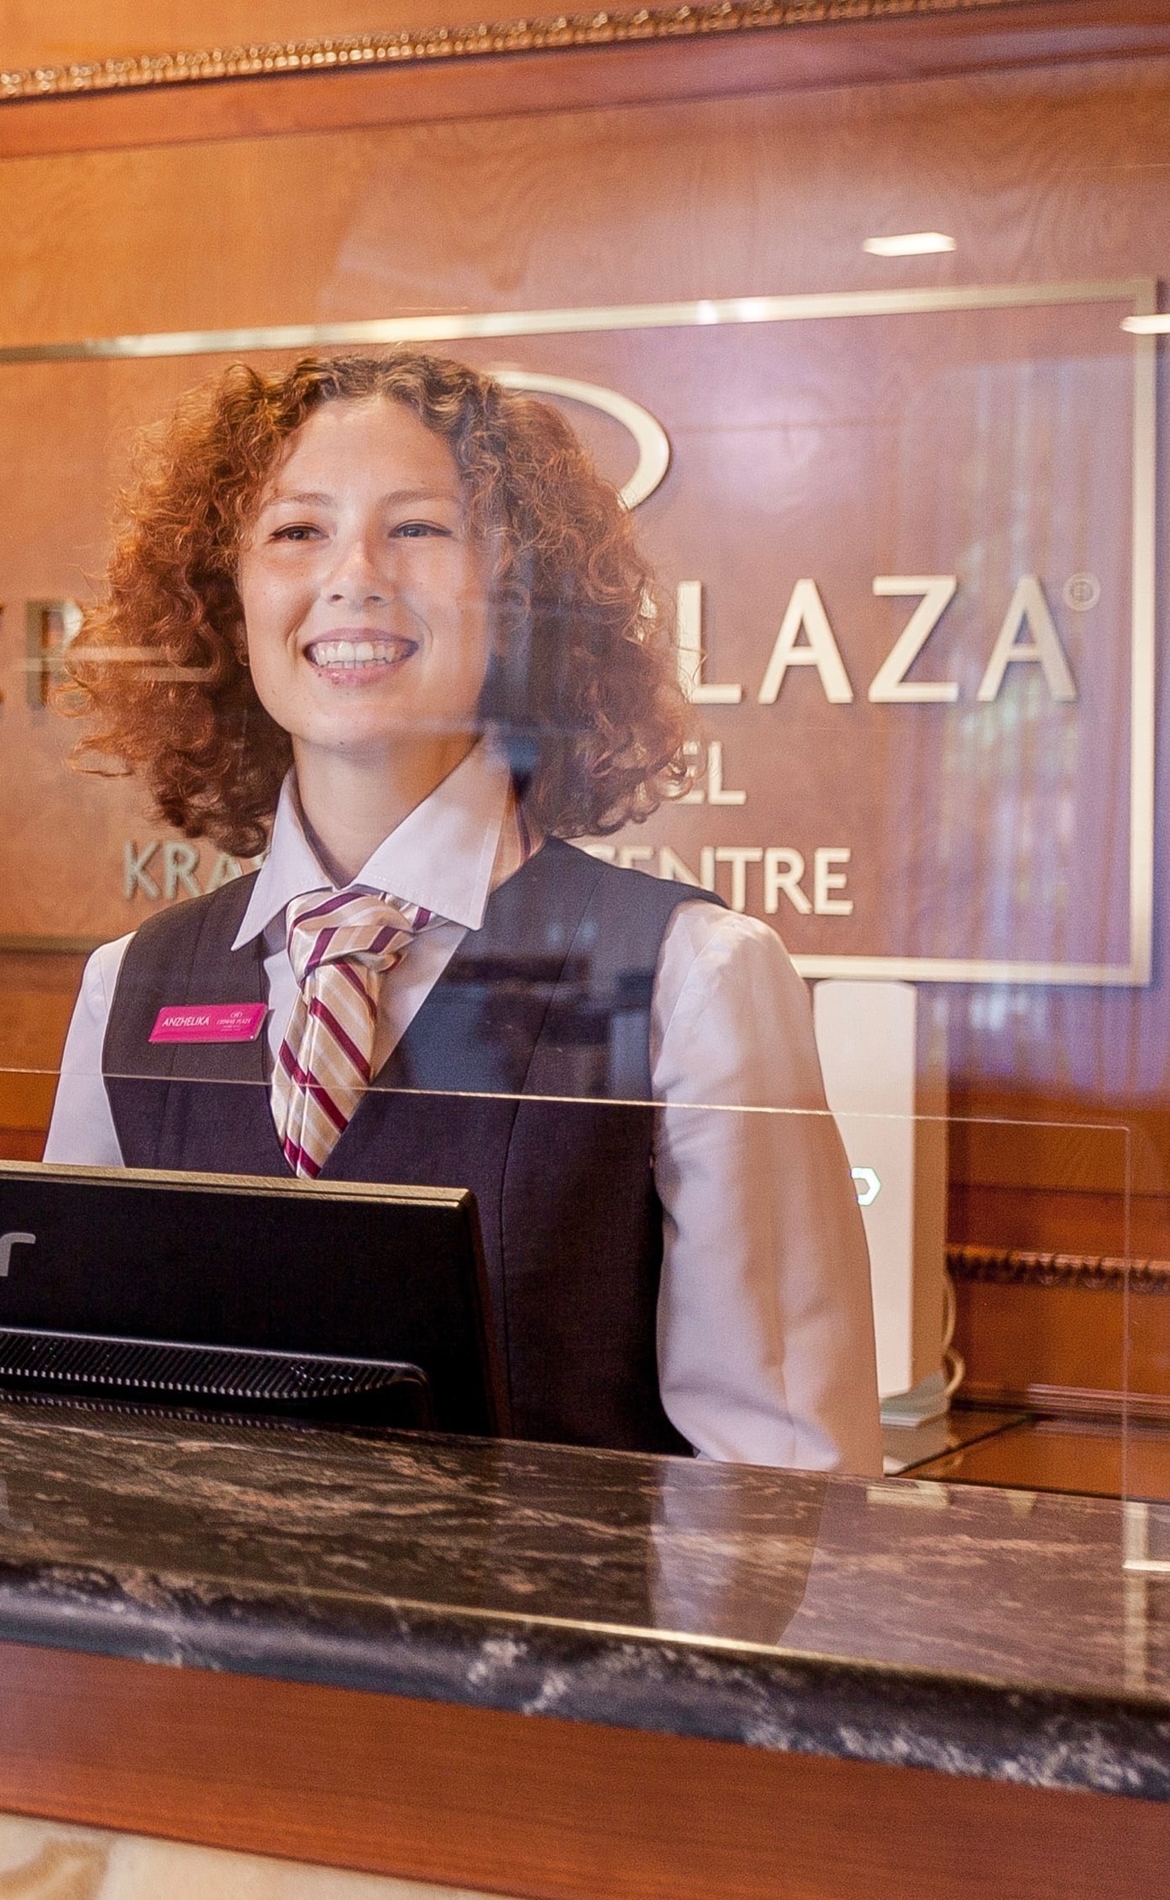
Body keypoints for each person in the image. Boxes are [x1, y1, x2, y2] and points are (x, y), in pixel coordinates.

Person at [46, 351, 881, 1472]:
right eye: (297, 530)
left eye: (418, 529)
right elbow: (76, 1422)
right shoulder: (128, 985)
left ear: (518, 596)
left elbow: (780, 1484)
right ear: (225, 604)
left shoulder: (696, 977)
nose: (353, 575)